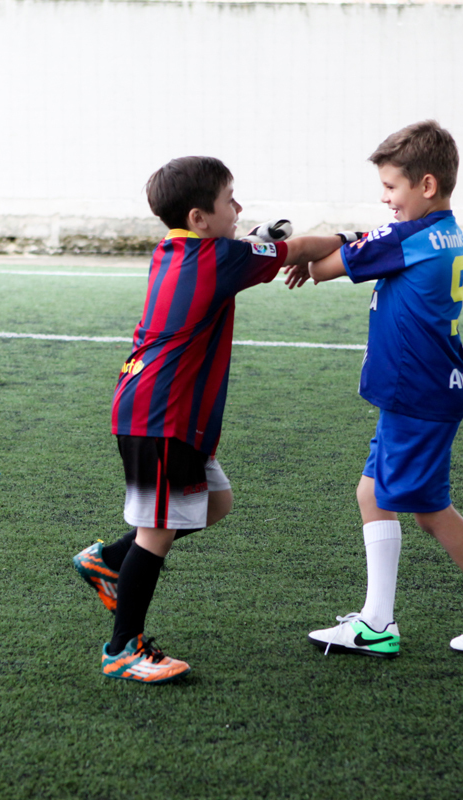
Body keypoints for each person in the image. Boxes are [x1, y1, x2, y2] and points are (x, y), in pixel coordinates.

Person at [73, 156, 342, 684]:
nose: (238, 207)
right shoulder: (222, 258)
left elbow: (235, 254)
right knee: (158, 534)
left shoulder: (173, 249)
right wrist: (361, 237)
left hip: (152, 408)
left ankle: (107, 560)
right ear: (199, 217)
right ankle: (122, 649)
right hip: (163, 417)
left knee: (214, 505)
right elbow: (308, 247)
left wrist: (250, 239)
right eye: (229, 201)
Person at [297, 120, 463, 658]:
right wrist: (346, 243)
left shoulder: (408, 237)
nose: (385, 198)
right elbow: (351, 251)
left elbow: (323, 267)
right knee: (372, 493)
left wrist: (286, 247)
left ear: (426, 186)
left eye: (391, 188)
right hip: (423, 389)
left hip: (422, 393)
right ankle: (377, 621)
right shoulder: (436, 230)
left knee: (430, 511)